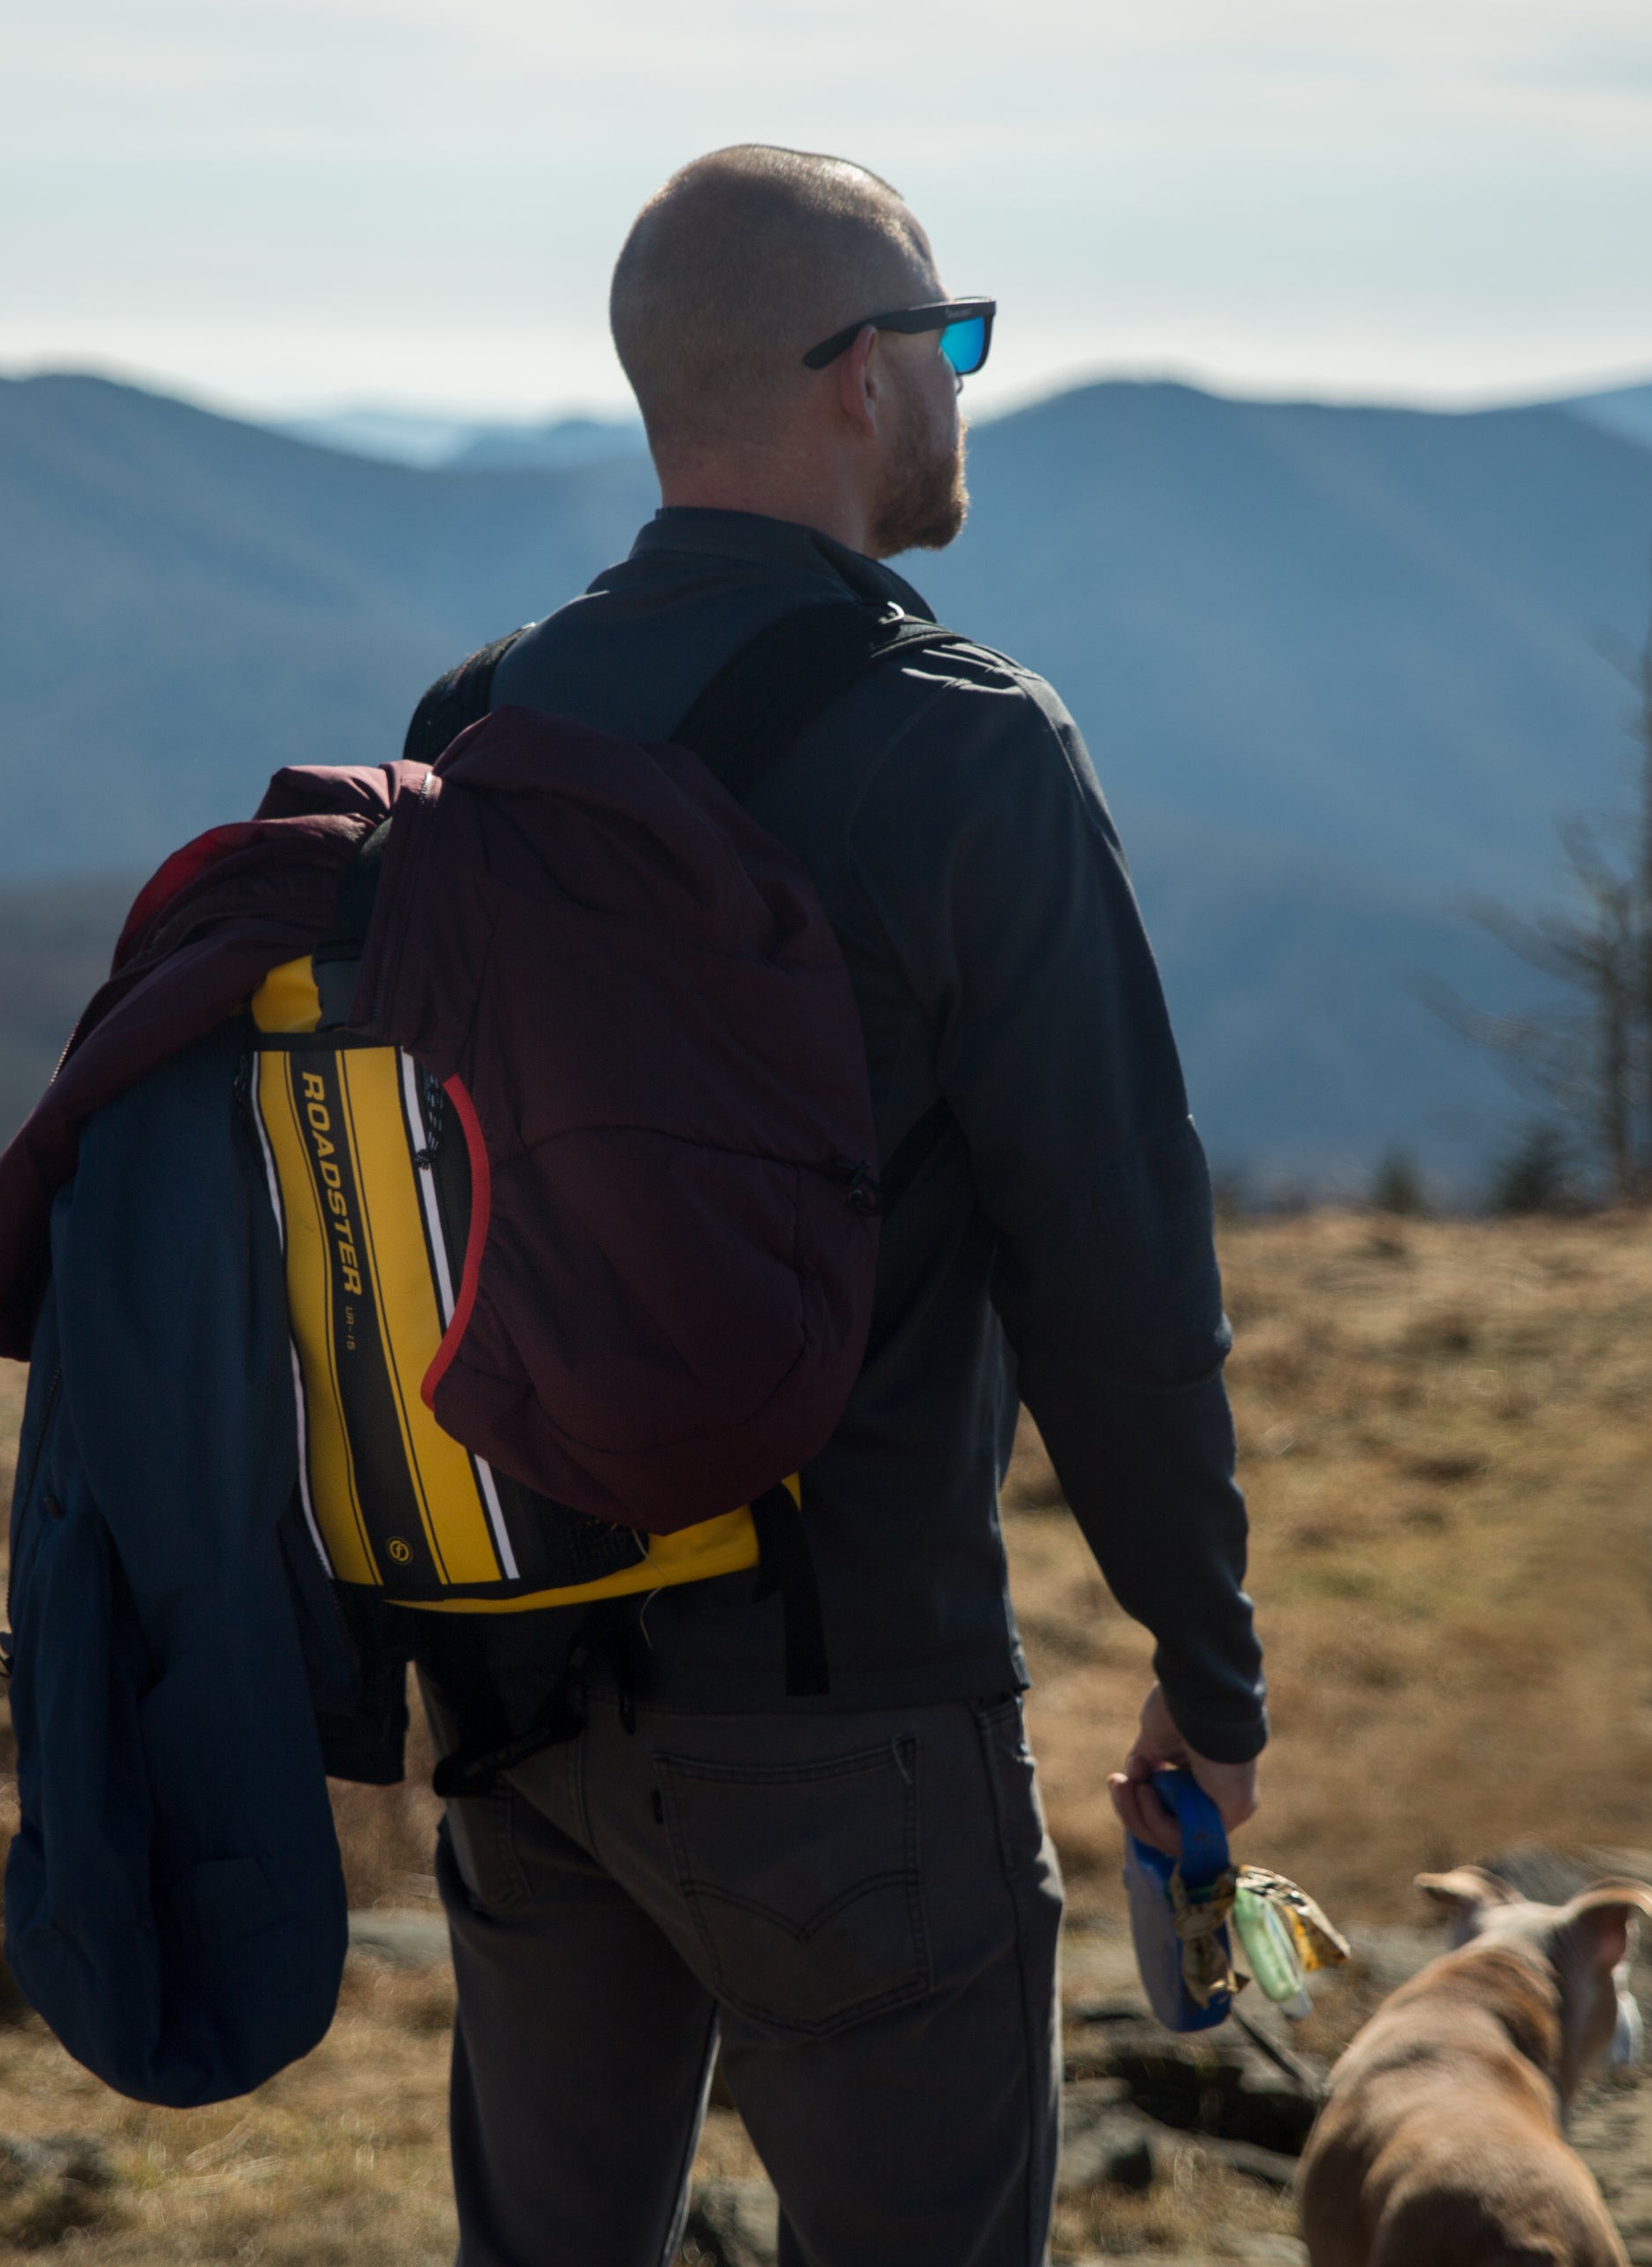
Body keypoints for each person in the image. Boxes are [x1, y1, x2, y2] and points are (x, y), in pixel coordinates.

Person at [425, 145, 1266, 2267]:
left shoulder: (476, 723)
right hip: (850, 1719)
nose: (964, 382)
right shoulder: (968, 748)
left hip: (525, 1695)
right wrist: (1208, 1665)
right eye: (954, 336)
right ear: (859, 381)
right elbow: (1117, 1263)